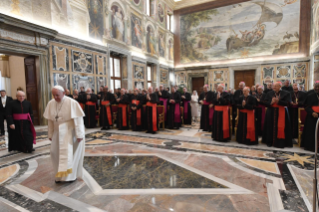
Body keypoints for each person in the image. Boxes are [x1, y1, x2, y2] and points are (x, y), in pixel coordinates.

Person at [43, 85, 85, 183]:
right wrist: (50, 133)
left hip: (70, 133)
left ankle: (70, 177)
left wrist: (79, 134)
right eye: (54, 95)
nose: (55, 97)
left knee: (69, 155)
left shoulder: (72, 103)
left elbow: (78, 120)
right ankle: (59, 175)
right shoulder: (51, 103)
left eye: (57, 95)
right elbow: (50, 120)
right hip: (57, 133)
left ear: (64, 93)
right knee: (54, 153)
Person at [262, 82, 293, 148]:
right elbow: (264, 102)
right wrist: (271, 102)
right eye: (273, 86)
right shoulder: (269, 93)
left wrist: (278, 101)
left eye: (276, 86)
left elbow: (288, 103)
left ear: (280, 86)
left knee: (282, 127)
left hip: (282, 112)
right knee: (270, 127)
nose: (274, 87)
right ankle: (269, 142)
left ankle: (281, 143)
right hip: (271, 112)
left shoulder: (287, 93)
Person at [301, 81, 319, 152]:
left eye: (318, 87)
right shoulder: (310, 95)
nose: (317, 88)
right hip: (312, 116)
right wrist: (312, 112)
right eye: (316, 87)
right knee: (311, 131)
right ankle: (310, 147)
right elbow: (306, 106)